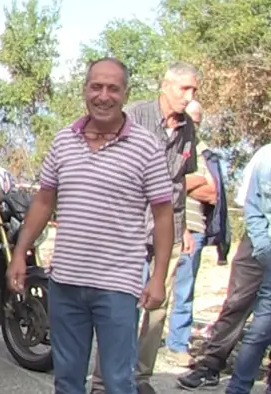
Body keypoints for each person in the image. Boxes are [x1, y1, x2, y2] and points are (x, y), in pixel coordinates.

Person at [7, 57, 173, 394]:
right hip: (66, 281)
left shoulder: (146, 146)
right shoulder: (64, 140)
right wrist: (19, 253)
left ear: (125, 94)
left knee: (117, 381)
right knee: (67, 380)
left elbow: (163, 215)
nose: (103, 95)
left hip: (117, 285)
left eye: (113, 88)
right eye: (96, 86)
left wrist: (158, 278)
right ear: (85, 90)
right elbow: (43, 201)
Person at [83, 61, 199, 393]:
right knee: (120, 307)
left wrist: (187, 227)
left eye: (194, 91)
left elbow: (180, 181)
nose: (188, 97)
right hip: (130, 227)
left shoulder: (188, 127)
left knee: (158, 306)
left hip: (169, 225)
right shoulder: (134, 116)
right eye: (184, 89)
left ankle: (142, 377)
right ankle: (104, 381)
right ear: (166, 86)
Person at [177, 156, 259, 390]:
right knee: (236, 304)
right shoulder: (265, 156)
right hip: (258, 239)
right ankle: (209, 367)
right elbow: (247, 202)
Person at [166, 100, 217, 365]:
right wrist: (183, 182)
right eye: (189, 119)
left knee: (184, 291)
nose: (192, 124)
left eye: (196, 120)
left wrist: (183, 183)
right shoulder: (173, 146)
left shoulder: (203, 152)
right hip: (169, 225)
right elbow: (168, 181)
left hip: (195, 229)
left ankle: (176, 344)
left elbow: (213, 193)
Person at [219, 143, 271, 394]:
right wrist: (263, 248)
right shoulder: (266, 158)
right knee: (260, 330)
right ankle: (238, 388)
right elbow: (252, 206)